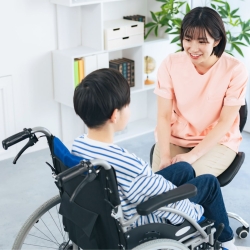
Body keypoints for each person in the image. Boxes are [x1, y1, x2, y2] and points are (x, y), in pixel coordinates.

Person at [72, 68, 239, 249]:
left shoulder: (79, 145)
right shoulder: (130, 165)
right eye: (127, 105)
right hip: (141, 220)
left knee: (184, 168)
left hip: (115, 208)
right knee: (209, 183)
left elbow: (150, 185)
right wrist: (196, 216)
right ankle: (227, 241)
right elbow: (165, 200)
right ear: (115, 115)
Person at [153, 6, 248, 177]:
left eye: (202, 42)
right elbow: (164, 116)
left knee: (186, 182)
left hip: (218, 141)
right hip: (177, 137)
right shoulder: (170, 64)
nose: (193, 48)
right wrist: (165, 156)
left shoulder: (235, 70)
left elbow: (225, 122)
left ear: (217, 41)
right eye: (188, 39)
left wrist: (192, 155)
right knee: (159, 182)